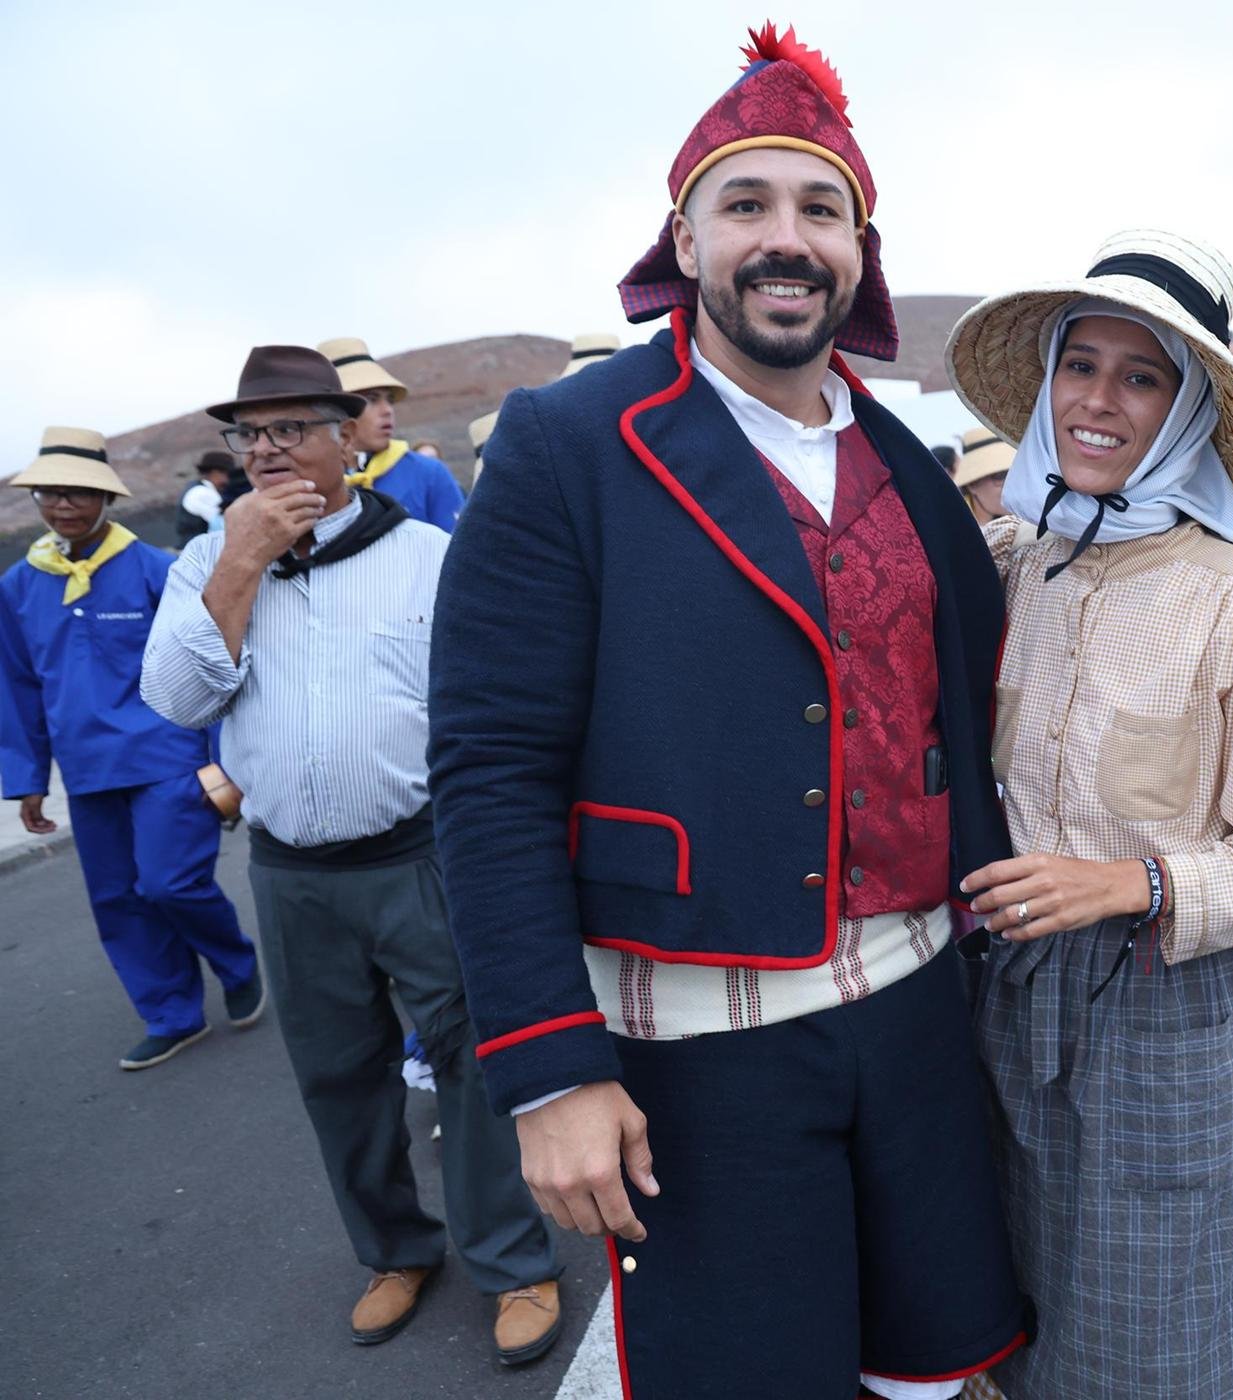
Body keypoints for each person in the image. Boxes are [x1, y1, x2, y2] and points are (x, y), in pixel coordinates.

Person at [425, 26, 1026, 1399]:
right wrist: (547, 1070)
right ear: (683, 240)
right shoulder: (570, 443)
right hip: (702, 1042)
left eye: (823, 209)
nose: (785, 238)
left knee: (928, 1363)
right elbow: (489, 767)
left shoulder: (912, 467)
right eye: (744, 204)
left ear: (860, 255)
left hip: (921, 1005)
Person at [945, 230, 1233, 1400]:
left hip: (1170, 1017)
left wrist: (1129, 880)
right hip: (1000, 997)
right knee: (1005, 1311)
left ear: (1183, 413)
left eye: (1142, 375)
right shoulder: (1010, 563)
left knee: (1150, 1343)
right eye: (1083, 365)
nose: (1098, 402)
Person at [140, 346, 562, 1363]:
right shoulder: (208, 562)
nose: (271, 450)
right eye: (251, 434)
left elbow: (480, 707)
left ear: (346, 436)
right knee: (338, 1074)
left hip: (420, 854)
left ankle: (513, 1259)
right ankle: (394, 1250)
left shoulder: (422, 551)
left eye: (294, 428)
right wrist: (239, 562)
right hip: (292, 872)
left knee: (467, 1064)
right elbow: (173, 698)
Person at [2, 428, 260, 1070]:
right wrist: (28, 777)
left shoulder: (156, 569)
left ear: (105, 498)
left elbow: (207, 662)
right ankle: (171, 1012)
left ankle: (235, 961)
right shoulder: (18, 586)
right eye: (51, 492)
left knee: (171, 882)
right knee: (117, 898)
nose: (64, 505)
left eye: (79, 493)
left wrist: (220, 758)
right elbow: (17, 684)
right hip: (86, 770)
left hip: (166, 758)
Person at [316, 337, 467, 531]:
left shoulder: (428, 474)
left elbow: (454, 550)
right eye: (372, 399)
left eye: (389, 400)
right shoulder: (310, 478)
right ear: (336, 409)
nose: (387, 410)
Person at [953, 426, 1012, 524]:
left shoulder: (1023, 529)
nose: (1011, 483)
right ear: (973, 484)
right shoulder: (956, 533)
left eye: (1013, 474)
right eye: (1000, 476)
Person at [177, 450, 235, 542]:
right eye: (226, 474)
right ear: (215, 472)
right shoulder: (203, 493)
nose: (228, 480)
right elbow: (222, 525)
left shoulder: (197, 489)